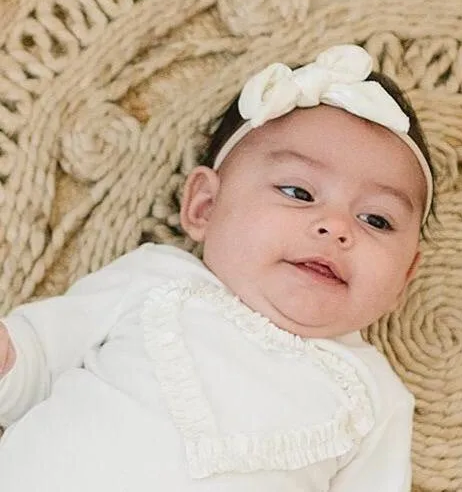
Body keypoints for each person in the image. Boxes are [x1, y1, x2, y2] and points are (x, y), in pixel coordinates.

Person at [0, 44, 434, 490]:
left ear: (405, 277)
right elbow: (35, 360)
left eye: (376, 220)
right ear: (205, 206)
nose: (336, 228)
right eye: (299, 192)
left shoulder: (375, 398)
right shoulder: (156, 280)